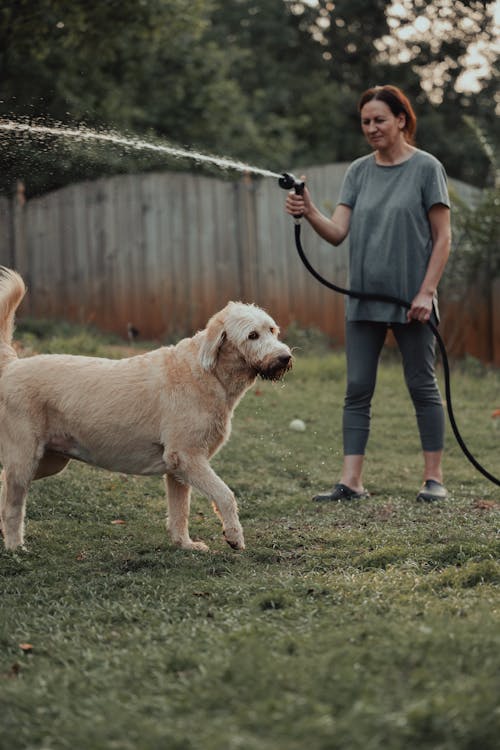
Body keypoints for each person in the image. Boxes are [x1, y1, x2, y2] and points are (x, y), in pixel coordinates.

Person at [285, 84, 452, 503]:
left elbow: (443, 237)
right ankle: (351, 481)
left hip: (412, 301)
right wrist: (309, 210)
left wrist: (426, 293)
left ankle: (434, 479)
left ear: (401, 120)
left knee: (422, 385)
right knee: (357, 387)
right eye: (365, 122)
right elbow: (338, 233)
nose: (372, 128)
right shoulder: (358, 171)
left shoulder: (427, 168)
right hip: (364, 299)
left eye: (380, 119)